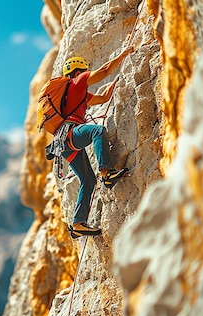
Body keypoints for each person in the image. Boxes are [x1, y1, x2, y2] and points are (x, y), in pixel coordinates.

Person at [58, 49, 133, 235]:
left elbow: (103, 98)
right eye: (84, 70)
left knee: (88, 179)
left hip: (63, 144)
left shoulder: (76, 94)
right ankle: (106, 172)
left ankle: (77, 223)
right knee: (97, 131)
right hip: (71, 134)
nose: (86, 73)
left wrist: (117, 81)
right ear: (79, 71)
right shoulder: (77, 81)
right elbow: (105, 70)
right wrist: (123, 55)